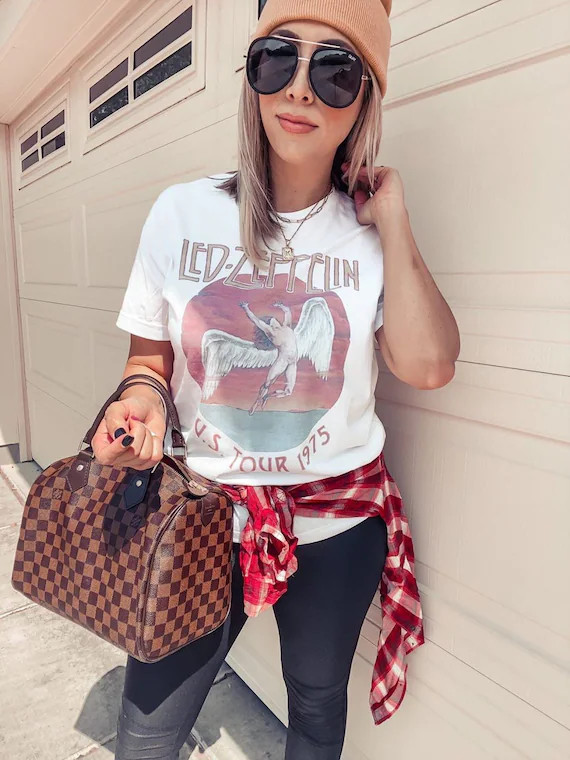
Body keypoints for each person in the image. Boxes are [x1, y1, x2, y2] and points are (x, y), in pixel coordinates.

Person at [93, 1, 460, 758]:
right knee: (147, 735)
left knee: (317, 706)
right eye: (278, 58)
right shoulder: (181, 213)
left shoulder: (368, 233)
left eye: (335, 71)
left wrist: (394, 218)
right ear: (252, 75)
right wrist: (140, 403)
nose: (298, 87)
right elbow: (147, 362)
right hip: (200, 516)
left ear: (365, 100)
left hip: (338, 520)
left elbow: (428, 366)